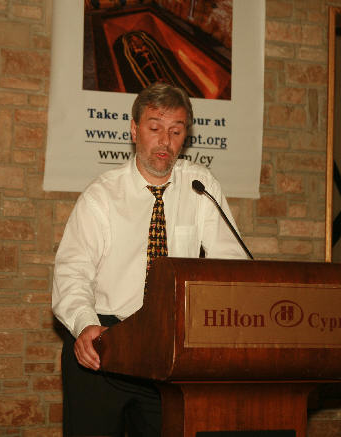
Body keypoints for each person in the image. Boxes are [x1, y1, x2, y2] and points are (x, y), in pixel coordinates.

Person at [52, 83, 248, 436]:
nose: (165, 142)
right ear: (134, 130)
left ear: (186, 136)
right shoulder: (102, 195)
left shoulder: (200, 186)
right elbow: (72, 273)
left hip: (168, 349)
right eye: (155, 128)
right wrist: (84, 324)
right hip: (104, 341)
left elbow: (230, 266)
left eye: (176, 131)